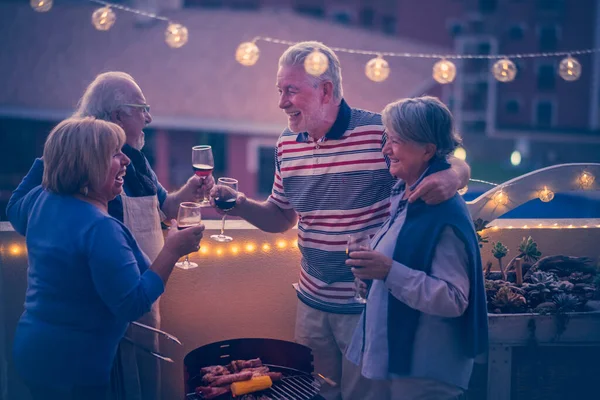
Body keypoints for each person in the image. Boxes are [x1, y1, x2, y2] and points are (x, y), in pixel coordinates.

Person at [210, 41, 471, 400]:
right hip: (311, 303)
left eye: (291, 91)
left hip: (366, 308)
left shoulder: (380, 133)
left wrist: (455, 175)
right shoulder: (286, 145)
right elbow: (280, 216)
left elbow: (438, 156)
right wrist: (238, 204)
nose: (281, 102)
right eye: (279, 90)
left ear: (326, 90)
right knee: (312, 394)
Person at [6, 71, 213, 400]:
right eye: (141, 108)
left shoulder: (130, 168)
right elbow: (129, 300)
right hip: (87, 346)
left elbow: (164, 207)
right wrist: (172, 250)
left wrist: (189, 191)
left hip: (44, 345)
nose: (148, 117)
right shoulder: (94, 219)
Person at [345, 96, 488, 399]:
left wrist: (387, 271)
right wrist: (373, 276)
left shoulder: (442, 210)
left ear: (428, 150)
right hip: (398, 362)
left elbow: (453, 299)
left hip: (425, 372)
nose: (385, 150)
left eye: (395, 141)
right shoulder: (406, 194)